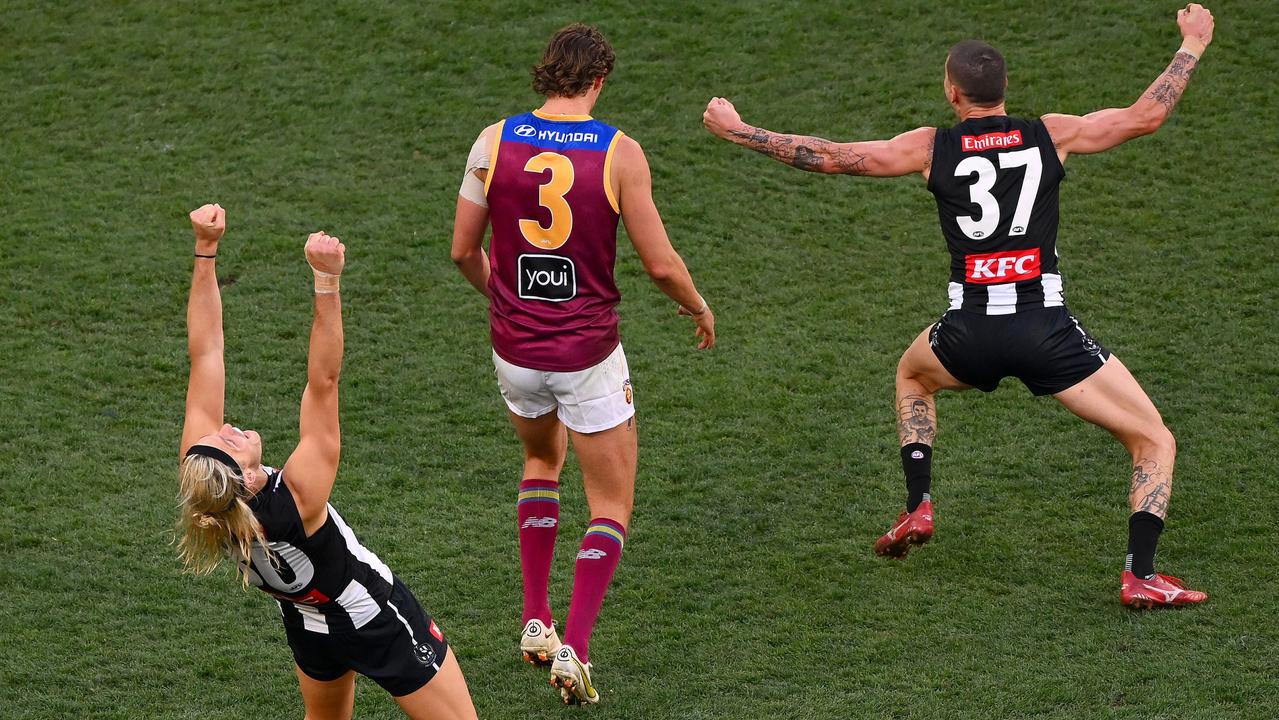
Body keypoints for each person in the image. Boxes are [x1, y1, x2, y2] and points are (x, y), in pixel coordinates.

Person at [703, 6, 1215, 608]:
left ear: (952, 91)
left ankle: (919, 504)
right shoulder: (1051, 133)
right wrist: (1192, 44)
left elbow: (831, 155)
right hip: (1047, 332)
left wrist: (739, 129)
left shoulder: (930, 146)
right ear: (1005, 91)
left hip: (966, 332)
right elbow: (1145, 115)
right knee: (1154, 440)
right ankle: (1140, 575)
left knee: (912, 376)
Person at [450, 23, 716, 704]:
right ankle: (575, 647)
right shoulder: (620, 152)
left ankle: (533, 621)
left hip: (514, 352)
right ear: (599, 80)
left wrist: (508, 301)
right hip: (587, 356)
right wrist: (696, 304)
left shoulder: (492, 140)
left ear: (545, 75)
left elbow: (461, 251)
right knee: (610, 504)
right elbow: (659, 263)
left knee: (541, 463)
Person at [176, 204, 478, 719]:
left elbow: (205, 353)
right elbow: (324, 383)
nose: (226, 429)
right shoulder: (300, 498)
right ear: (249, 478)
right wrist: (326, 282)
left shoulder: (210, 495)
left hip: (306, 623)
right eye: (229, 443)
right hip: (374, 617)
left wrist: (206, 252)